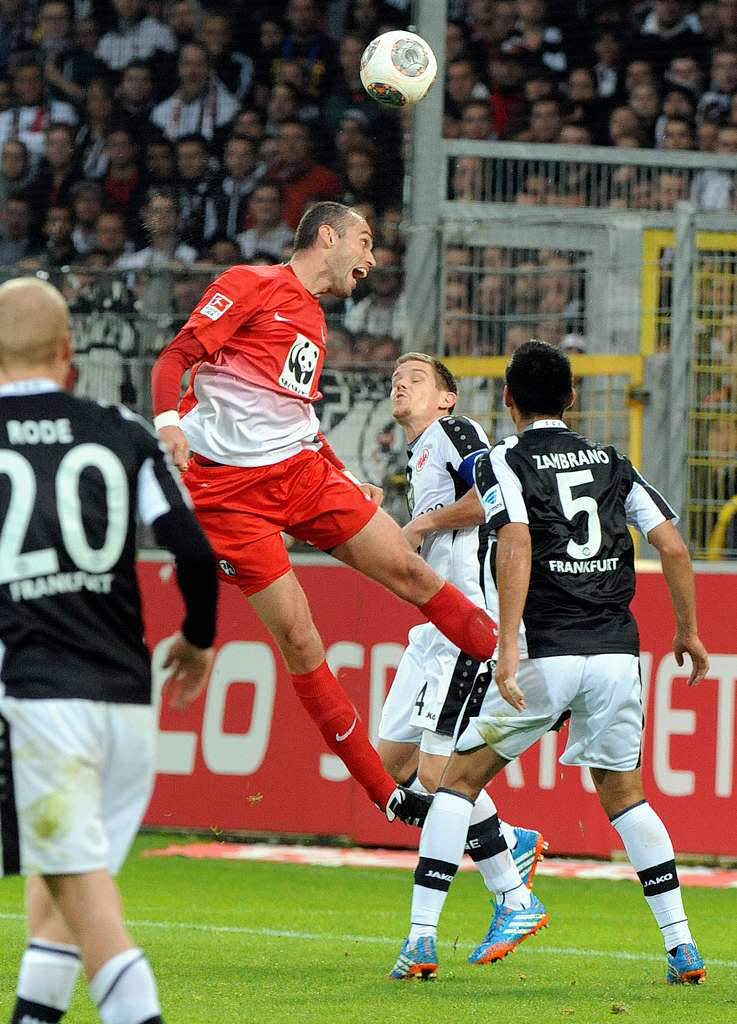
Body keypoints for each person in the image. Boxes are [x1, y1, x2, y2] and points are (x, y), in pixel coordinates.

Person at [151, 201, 499, 827]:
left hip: (302, 475)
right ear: (329, 236)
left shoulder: (313, 318)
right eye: (365, 242)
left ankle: (521, 659)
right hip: (226, 498)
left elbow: (297, 419)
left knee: (413, 574)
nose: (371, 259)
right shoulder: (248, 285)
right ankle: (385, 794)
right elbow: (174, 358)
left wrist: (343, 476)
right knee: (301, 639)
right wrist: (169, 421)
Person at [391, 340, 709, 986]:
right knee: (626, 799)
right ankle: (682, 948)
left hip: (546, 651)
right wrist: (689, 632)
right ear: (572, 398)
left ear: (506, 401)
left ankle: (422, 940)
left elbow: (513, 538)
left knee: (454, 780)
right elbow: (672, 546)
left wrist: (506, 644)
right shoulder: (611, 461)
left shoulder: (503, 458)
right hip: (617, 655)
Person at [0, 277, 218, 1023]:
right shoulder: (120, 428)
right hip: (126, 705)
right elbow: (191, 550)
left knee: (92, 911)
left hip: (38, 700)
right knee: (62, 883)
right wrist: (198, 638)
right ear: (67, 351)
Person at [378, 354, 547, 922]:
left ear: (448, 398)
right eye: (396, 378)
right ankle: (505, 838)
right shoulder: (418, 454)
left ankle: (513, 896)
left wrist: (421, 525)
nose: (402, 383)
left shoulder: (455, 432)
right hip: (430, 625)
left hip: (463, 620)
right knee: (392, 766)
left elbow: (492, 499)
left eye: (417, 378)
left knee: (436, 773)